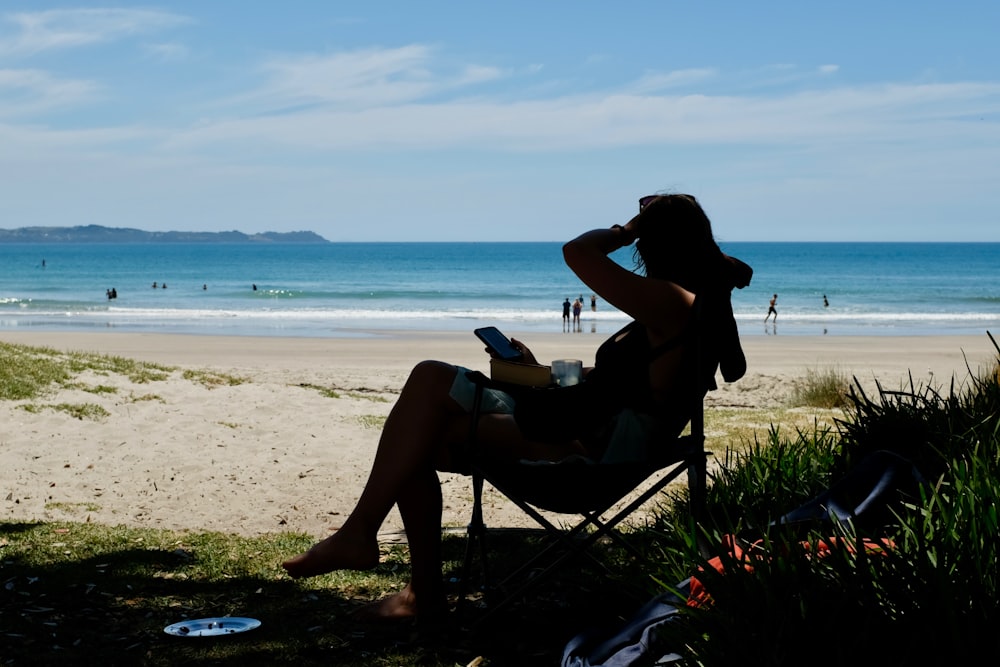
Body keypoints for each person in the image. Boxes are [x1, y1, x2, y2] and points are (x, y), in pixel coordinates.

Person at [281, 193, 750, 623]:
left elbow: (577, 251)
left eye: (644, 241)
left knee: (424, 410)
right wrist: (537, 371)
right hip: (588, 426)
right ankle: (395, 571)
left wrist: (627, 227)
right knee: (426, 399)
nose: (638, 251)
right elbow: (617, 384)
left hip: (588, 449)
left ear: (658, 243)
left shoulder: (672, 301)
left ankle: (387, 560)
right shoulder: (690, 305)